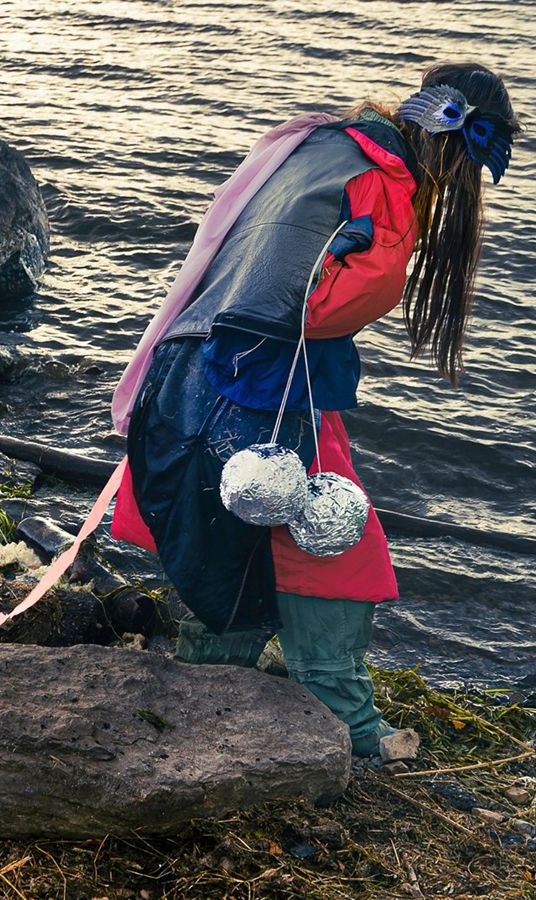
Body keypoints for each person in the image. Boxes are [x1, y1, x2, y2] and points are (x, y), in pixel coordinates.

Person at [109, 63, 520, 757]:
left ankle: (208, 681)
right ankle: (347, 720)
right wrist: (381, 254)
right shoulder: (382, 182)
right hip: (260, 386)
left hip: (195, 362)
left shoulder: (322, 141)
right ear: (456, 145)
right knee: (330, 535)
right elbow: (326, 303)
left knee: (223, 528)